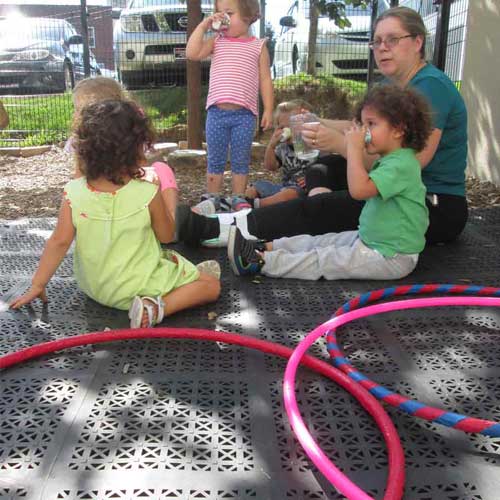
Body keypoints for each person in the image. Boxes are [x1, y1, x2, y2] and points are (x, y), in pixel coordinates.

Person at [177, 6, 468, 248]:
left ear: (417, 42)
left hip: (429, 205)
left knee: (330, 203)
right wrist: (318, 121)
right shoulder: (392, 86)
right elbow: (356, 127)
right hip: (395, 187)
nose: (382, 48)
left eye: (392, 39)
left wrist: (343, 145)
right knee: (322, 169)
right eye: (377, 41)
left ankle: (221, 229)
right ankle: (307, 212)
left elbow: (412, 161)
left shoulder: (430, 87)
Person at [10, 100, 220, 328]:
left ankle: (178, 281)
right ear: (135, 149)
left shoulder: (74, 192)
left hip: (96, 288)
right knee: (210, 285)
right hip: (137, 287)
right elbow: (167, 236)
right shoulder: (147, 192)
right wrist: (167, 202)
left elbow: (59, 242)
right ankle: (156, 308)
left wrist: (38, 285)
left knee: (183, 269)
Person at [227, 85, 432, 280]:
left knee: (325, 260)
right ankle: (267, 246)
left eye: (372, 124)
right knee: (321, 241)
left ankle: (260, 262)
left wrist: (352, 150)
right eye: (362, 124)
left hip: (391, 256)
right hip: (372, 241)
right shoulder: (391, 160)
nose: (364, 132)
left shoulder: (401, 164)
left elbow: (359, 190)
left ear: (398, 130)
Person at [186, 0, 274, 211]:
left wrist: (269, 109)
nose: (221, 18)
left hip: (244, 115)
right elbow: (192, 53)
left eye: (229, 13)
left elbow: (265, 79)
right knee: (215, 157)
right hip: (217, 113)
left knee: (240, 158)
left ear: (249, 15)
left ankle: (238, 197)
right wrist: (203, 25)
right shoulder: (217, 40)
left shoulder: (258, 46)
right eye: (218, 12)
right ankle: (213, 197)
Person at [67, 76, 179, 222]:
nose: (75, 115)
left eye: (78, 109)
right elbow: (79, 176)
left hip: (129, 188)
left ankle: (171, 219)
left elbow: (141, 164)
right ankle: (169, 223)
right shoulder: (83, 139)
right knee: (162, 170)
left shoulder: (128, 129)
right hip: (105, 195)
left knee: (162, 169)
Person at [244, 99, 317, 208]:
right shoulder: (283, 148)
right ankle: (242, 204)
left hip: (303, 190)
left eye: (293, 126)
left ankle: (256, 206)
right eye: (282, 127)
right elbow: (270, 167)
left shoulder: (314, 145)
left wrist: (311, 179)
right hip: (283, 187)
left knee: (289, 194)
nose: (287, 130)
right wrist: (271, 146)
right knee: (257, 186)